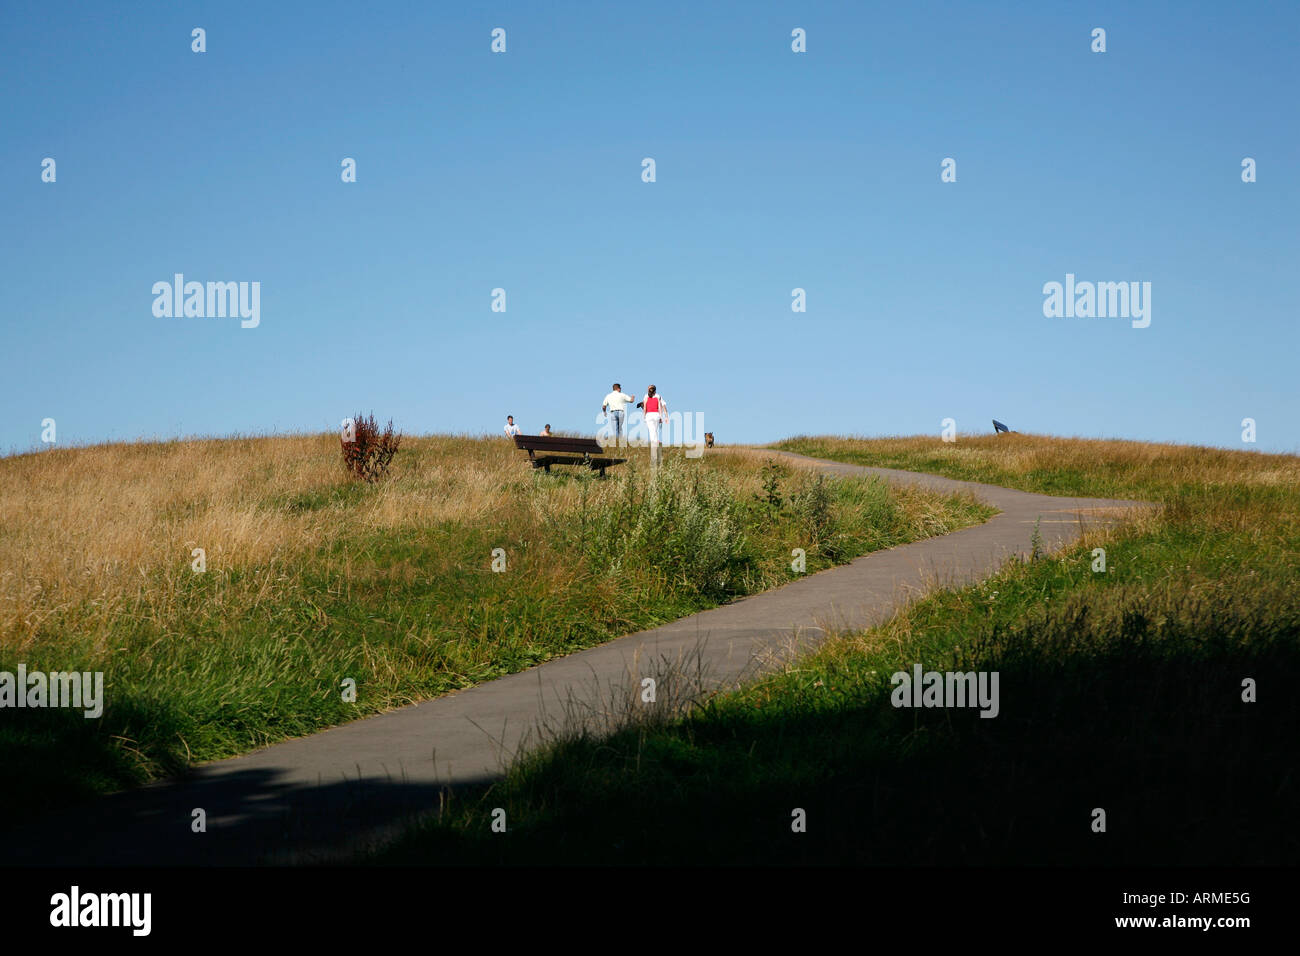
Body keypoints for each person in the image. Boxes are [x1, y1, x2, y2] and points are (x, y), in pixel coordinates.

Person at [637, 384, 666, 465]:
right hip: (656, 415)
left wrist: (644, 416)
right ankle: (656, 441)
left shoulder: (647, 396)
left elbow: (645, 407)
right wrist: (661, 417)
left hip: (649, 415)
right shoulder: (657, 397)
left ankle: (654, 442)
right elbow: (660, 408)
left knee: (651, 430)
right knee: (654, 430)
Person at [601, 383, 635, 448]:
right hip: (620, 412)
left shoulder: (608, 396)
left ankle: (616, 442)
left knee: (615, 429)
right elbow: (631, 400)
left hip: (612, 413)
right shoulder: (622, 395)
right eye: (620, 388)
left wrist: (604, 412)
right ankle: (621, 443)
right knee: (620, 428)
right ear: (618, 389)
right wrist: (633, 397)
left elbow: (604, 406)